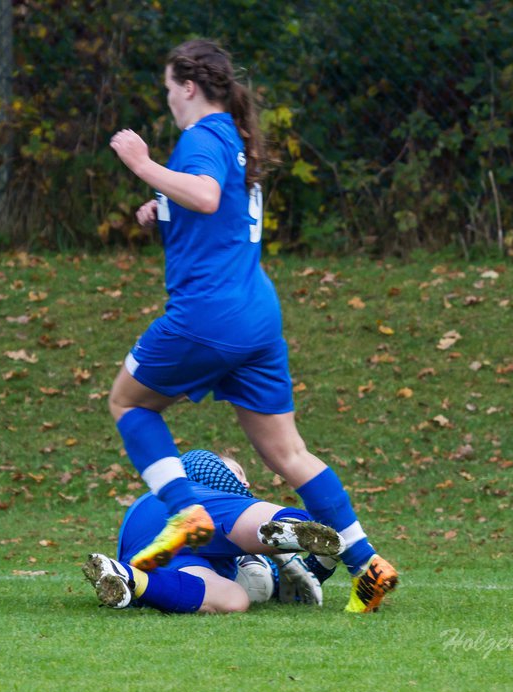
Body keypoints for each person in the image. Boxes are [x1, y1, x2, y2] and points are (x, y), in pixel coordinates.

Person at [106, 38, 398, 613]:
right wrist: (159, 209)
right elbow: (215, 216)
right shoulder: (234, 142)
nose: (167, 101)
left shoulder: (201, 137)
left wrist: (142, 165)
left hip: (208, 315)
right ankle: (368, 566)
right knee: (289, 454)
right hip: (256, 316)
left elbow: (208, 197)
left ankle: (187, 515)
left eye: (168, 89)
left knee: (129, 404)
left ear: (189, 87)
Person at [82, 450, 335, 614]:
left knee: (234, 600)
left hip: (155, 549)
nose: (245, 482)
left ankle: (127, 576)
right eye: (237, 474)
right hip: (182, 506)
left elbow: (295, 586)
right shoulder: (203, 474)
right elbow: (195, 464)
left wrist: (320, 559)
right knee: (261, 519)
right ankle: (293, 525)